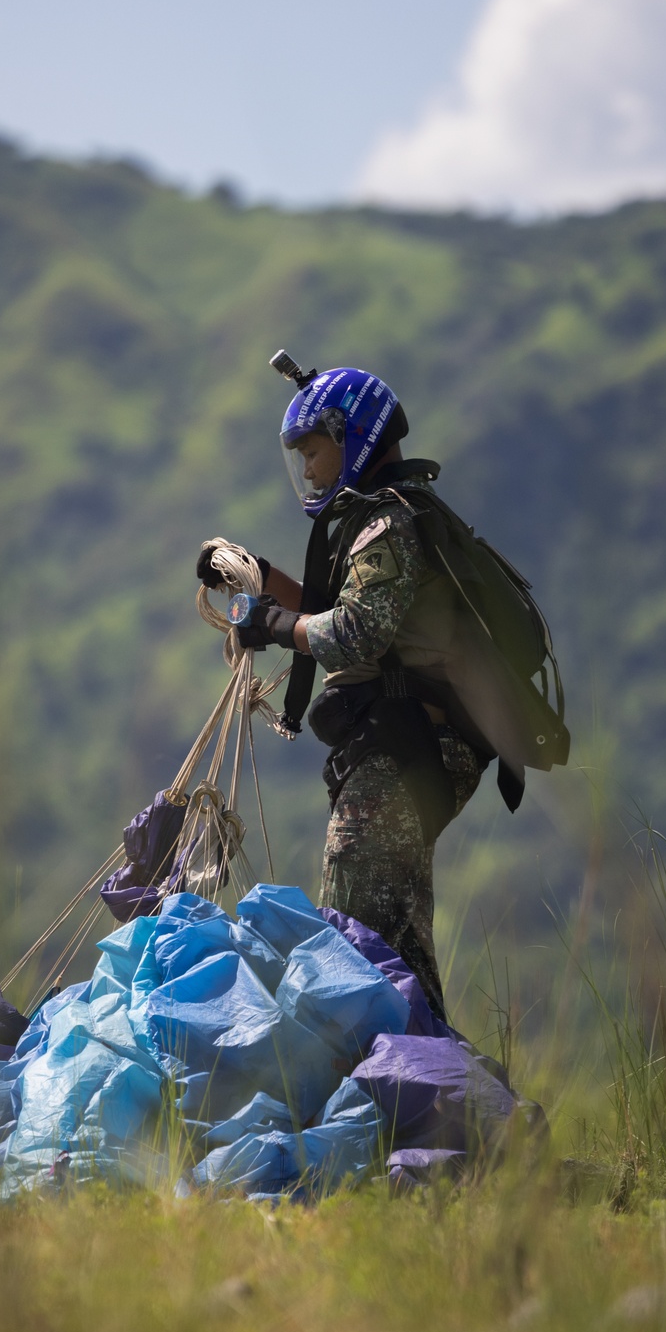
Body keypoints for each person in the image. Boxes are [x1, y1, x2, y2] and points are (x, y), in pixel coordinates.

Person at [197, 361, 488, 1021]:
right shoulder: (374, 525)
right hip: (400, 757)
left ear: (350, 436)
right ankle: (440, 1102)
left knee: (355, 953)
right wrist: (256, 577)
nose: (306, 469)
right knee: (396, 954)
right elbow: (330, 608)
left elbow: (355, 630)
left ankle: (405, 1097)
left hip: (400, 759)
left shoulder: (388, 524)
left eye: (312, 450)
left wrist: (272, 624)